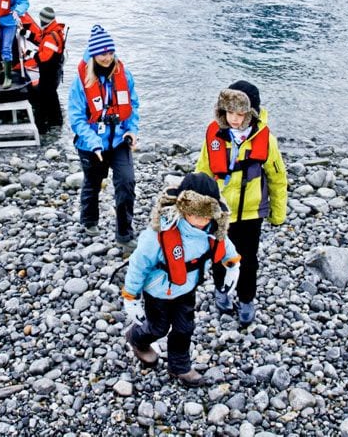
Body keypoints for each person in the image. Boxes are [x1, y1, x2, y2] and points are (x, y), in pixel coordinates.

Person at [122, 172, 241, 387]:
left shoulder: (212, 229)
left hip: (186, 288)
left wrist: (233, 265)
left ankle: (180, 366)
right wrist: (131, 297)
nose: (203, 221)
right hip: (158, 291)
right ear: (184, 208)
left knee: (185, 328)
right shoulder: (159, 234)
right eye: (197, 215)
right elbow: (138, 265)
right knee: (157, 328)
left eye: (207, 216)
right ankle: (136, 338)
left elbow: (225, 246)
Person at [195, 80, 288, 326]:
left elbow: (278, 180)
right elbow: (202, 173)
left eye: (240, 114)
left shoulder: (266, 140)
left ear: (251, 113)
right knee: (218, 255)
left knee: (248, 259)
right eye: (229, 113)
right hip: (220, 212)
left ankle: (246, 299)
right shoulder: (213, 135)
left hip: (250, 213)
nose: (234, 119)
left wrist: (278, 213)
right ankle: (221, 290)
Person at [68, 24, 139, 250]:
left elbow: (133, 106)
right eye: (102, 53)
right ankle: (89, 219)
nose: (107, 57)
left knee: (126, 183)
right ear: (93, 54)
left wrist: (132, 130)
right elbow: (77, 118)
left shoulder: (123, 74)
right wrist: (93, 143)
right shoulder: (81, 81)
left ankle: (124, 234)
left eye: (110, 52)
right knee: (93, 182)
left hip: (119, 140)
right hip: (91, 143)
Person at [21, 6, 66, 131]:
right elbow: (40, 39)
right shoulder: (52, 32)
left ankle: (44, 125)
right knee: (51, 97)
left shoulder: (51, 36)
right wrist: (26, 33)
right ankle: (55, 122)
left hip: (49, 73)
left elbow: (43, 58)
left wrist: (29, 53)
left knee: (46, 97)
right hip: (52, 73)